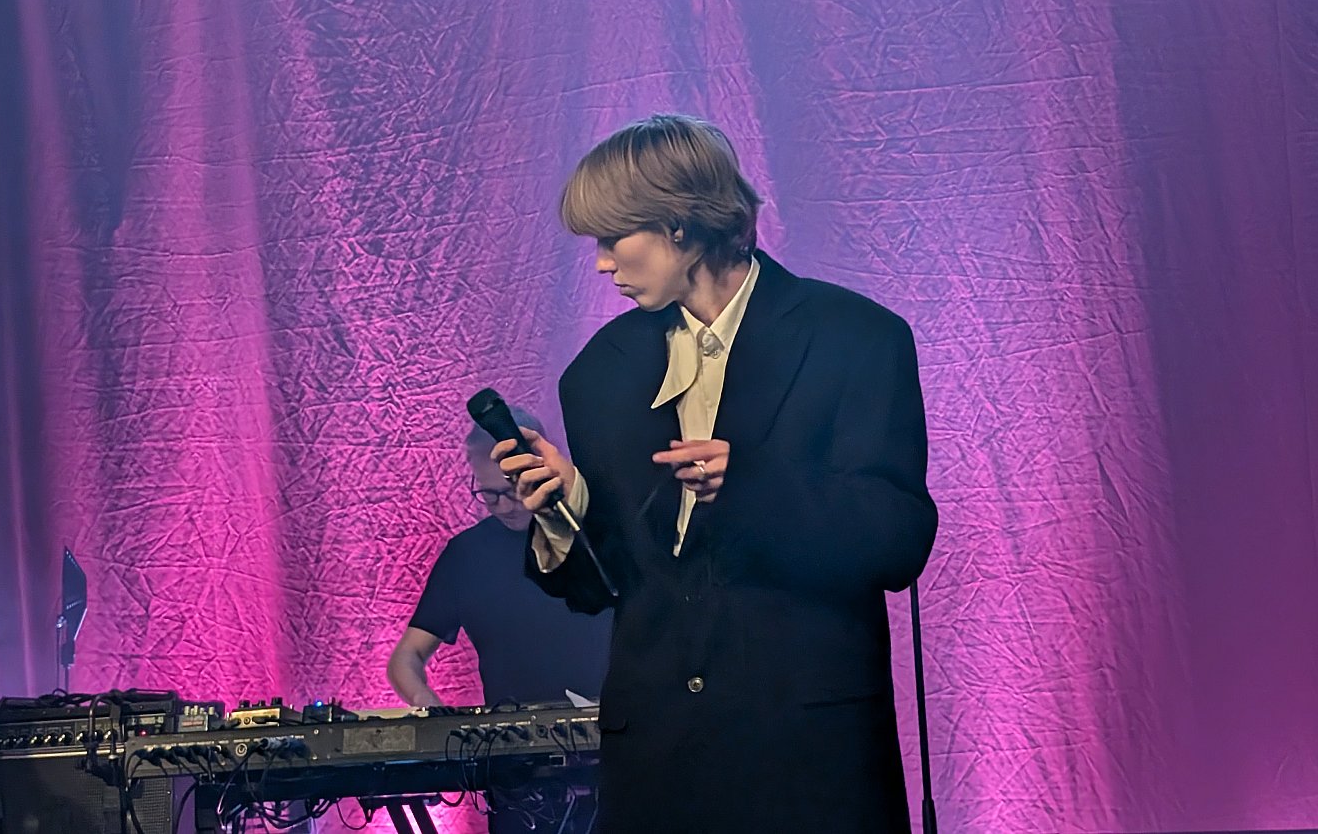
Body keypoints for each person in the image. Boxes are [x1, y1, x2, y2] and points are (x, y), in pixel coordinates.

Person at [494, 114, 938, 833]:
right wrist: (564, 504)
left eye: (613, 238)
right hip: (658, 771)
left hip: (808, 762)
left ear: (678, 222)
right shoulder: (597, 375)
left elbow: (898, 541)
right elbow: (606, 589)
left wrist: (753, 486)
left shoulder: (856, 337)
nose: (602, 264)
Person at [388, 413, 609, 833]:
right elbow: (406, 658)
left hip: (613, 755)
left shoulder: (597, 536)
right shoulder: (467, 555)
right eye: (489, 495)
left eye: (512, 490)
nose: (505, 506)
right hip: (515, 776)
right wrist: (427, 704)